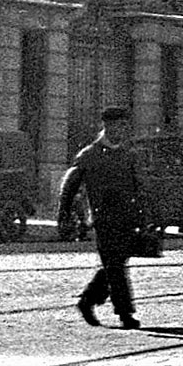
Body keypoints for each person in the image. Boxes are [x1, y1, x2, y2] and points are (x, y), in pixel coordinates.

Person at [57, 105, 146, 330]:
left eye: (125, 126)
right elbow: (69, 185)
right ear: (107, 126)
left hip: (127, 219)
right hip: (103, 219)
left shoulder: (129, 155)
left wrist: (146, 215)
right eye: (118, 126)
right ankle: (125, 313)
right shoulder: (89, 155)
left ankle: (87, 300)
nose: (122, 130)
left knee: (115, 264)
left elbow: (140, 187)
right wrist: (64, 213)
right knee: (115, 266)